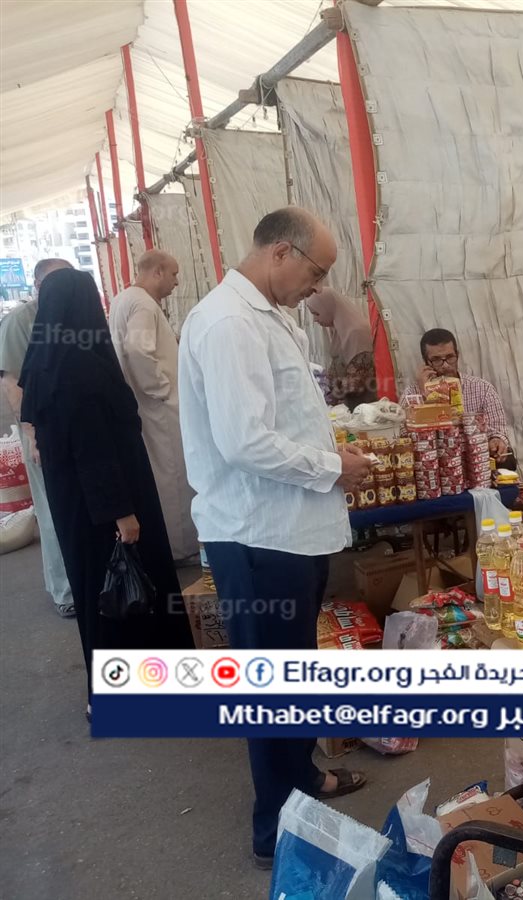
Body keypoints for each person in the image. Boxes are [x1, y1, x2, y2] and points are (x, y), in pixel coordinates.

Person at [178, 207, 373, 869]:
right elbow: (245, 442)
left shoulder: (269, 314)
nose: (318, 286)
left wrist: (329, 451)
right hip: (259, 537)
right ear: (281, 253)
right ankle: (276, 831)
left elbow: (282, 415)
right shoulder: (230, 323)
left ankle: (303, 782)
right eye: (316, 271)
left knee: (295, 672)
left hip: (290, 531)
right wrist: (331, 466)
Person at [17, 269, 193, 716]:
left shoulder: (45, 360)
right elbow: (94, 449)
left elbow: (34, 420)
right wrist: (122, 514)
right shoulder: (82, 367)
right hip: (110, 503)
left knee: (100, 593)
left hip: (76, 507)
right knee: (126, 592)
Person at [108, 249, 199, 562]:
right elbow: (138, 350)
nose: (176, 282)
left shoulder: (123, 299)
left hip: (144, 404)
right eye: (173, 274)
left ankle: (170, 545)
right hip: (159, 406)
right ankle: (181, 547)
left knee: (161, 475)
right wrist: (162, 389)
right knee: (174, 477)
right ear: (157, 271)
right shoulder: (144, 303)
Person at [0, 257, 75, 617]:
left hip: (76, 429)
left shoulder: (71, 316)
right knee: (52, 509)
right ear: (38, 286)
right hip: (42, 432)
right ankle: (65, 592)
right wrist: (32, 435)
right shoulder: (20, 321)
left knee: (77, 508)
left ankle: (91, 579)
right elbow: (13, 384)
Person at [404, 327, 515, 467]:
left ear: (458, 355)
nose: (445, 366)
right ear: (426, 362)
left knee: (507, 462)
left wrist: (496, 441)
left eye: (450, 357)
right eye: (436, 360)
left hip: (475, 462)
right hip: (435, 466)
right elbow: (405, 440)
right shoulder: (412, 393)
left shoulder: (482, 388)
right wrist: (425, 395)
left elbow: (497, 430)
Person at [305, 287, 376, 409]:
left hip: (363, 407)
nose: (315, 320)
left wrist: (327, 395)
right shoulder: (340, 331)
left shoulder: (356, 333)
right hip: (348, 405)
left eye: (317, 313)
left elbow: (356, 382)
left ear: (328, 308)